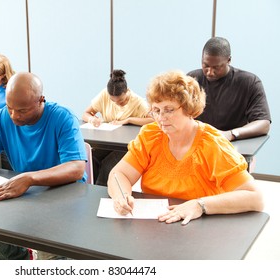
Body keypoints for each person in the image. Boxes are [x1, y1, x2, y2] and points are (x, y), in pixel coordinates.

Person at [107, 70, 263, 225]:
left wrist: (200, 205)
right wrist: (121, 196)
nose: (161, 117)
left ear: (189, 109)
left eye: (169, 110)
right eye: (156, 110)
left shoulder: (212, 144)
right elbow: (119, 174)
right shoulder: (150, 135)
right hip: (156, 227)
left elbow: (255, 197)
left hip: (200, 228)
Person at [0, 72, 87, 260]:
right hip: (22, 196)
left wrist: (30, 178)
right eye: (10, 107)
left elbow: (76, 167)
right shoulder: (4, 117)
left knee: (50, 256)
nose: (14, 115)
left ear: (41, 100)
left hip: (62, 200)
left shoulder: (63, 118)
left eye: (22, 111)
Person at [187, 37, 271, 141]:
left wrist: (231, 134)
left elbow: (263, 124)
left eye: (216, 67)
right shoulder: (191, 80)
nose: (210, 72)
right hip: (197, 144)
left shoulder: (249, 82)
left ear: (229, 60)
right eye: (206, 66)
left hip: (233, 147)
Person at [82, 69, 152, 186]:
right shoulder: (104, 94)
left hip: (125, 144)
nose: (116, 103)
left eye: (121, 101)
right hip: (107, 140)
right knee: (92, 158)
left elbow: (153, 120)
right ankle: (90, 189)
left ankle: (101, 194)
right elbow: (86, 113)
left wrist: (128, 120)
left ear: (127, 91)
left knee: (108, 165)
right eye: (112, 101)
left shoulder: (138, 102)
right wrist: (92, 119)